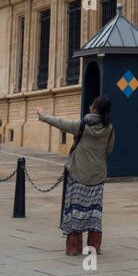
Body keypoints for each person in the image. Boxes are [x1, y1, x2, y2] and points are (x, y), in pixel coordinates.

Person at [37, 97, 115, 256]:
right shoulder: (110, 129)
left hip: (78, 172)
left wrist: (42, 114)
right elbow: (109, 149)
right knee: (94, 212)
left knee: (75, 211)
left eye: (91, 105)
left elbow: (59, 122)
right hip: (98, 175)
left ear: (94, 109)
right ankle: (94, 247)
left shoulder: (82, 126)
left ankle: (74, 248)